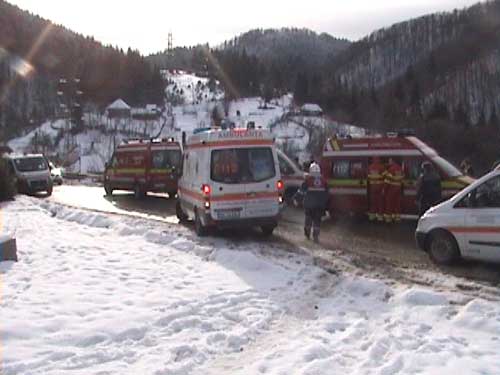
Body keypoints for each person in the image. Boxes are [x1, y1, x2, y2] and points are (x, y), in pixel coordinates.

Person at [302, 162, 329, 243]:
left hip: (309, 205)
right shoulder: (323, 180)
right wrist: (326, 205)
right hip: (320, 206)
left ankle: (307, 235)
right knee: (317, 221)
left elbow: (301, 191)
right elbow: (327, 193)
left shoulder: (308, 180)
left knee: (308, 220)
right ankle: (316, 237)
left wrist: (296, 199)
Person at [383, 157, 404, 223]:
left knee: (389, 204)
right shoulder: (401, 169)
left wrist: (384, 189)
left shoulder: (391, 169)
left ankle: (388, 219)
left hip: (391, 189)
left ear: (393, 161)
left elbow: (387, 181)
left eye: (390, 161)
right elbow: (402, 178)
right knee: (397, 204)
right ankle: (397, 219)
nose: (389, 162)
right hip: (398, 188)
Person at [367, 156, 385, 221]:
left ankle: (372, 217)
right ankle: (380, 217)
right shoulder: (382, 167)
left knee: (373, 202)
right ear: (379, 160)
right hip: (380, 187)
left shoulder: (370, 167)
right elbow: (385, 177)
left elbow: (368, 177)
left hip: (372, 187)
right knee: (380, 202)